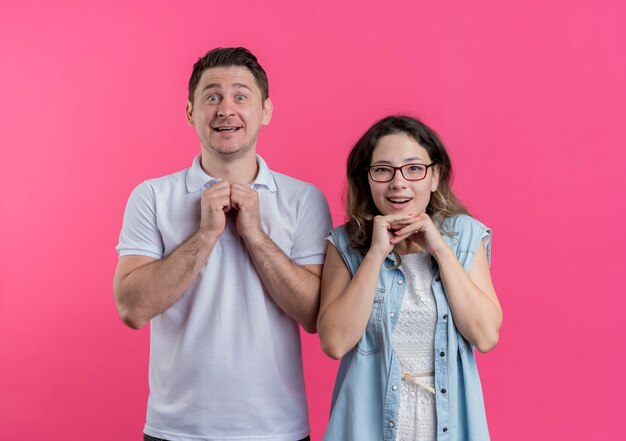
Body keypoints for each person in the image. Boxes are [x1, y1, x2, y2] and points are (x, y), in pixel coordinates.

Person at [113, 47, 331, 441]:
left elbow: (316, 316)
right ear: (190, 112)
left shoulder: (305, 199)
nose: (225, 109)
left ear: (265, 111)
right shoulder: (151, 196)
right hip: (175, 430)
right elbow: (132, 308)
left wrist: (255, 235)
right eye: (211, 96)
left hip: (276, 430)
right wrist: (204, 235)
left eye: (241, 96)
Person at [317, 115, 502, 441]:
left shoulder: (466, 237)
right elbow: (334, 342)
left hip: (448, 425)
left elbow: (485, 336)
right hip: (368, 427)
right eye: (383, 170)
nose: (398, 183)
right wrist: (375, 253)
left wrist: (439, 249)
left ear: (434, 177)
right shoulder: (345, 244)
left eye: (414, 169)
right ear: (367, 179)